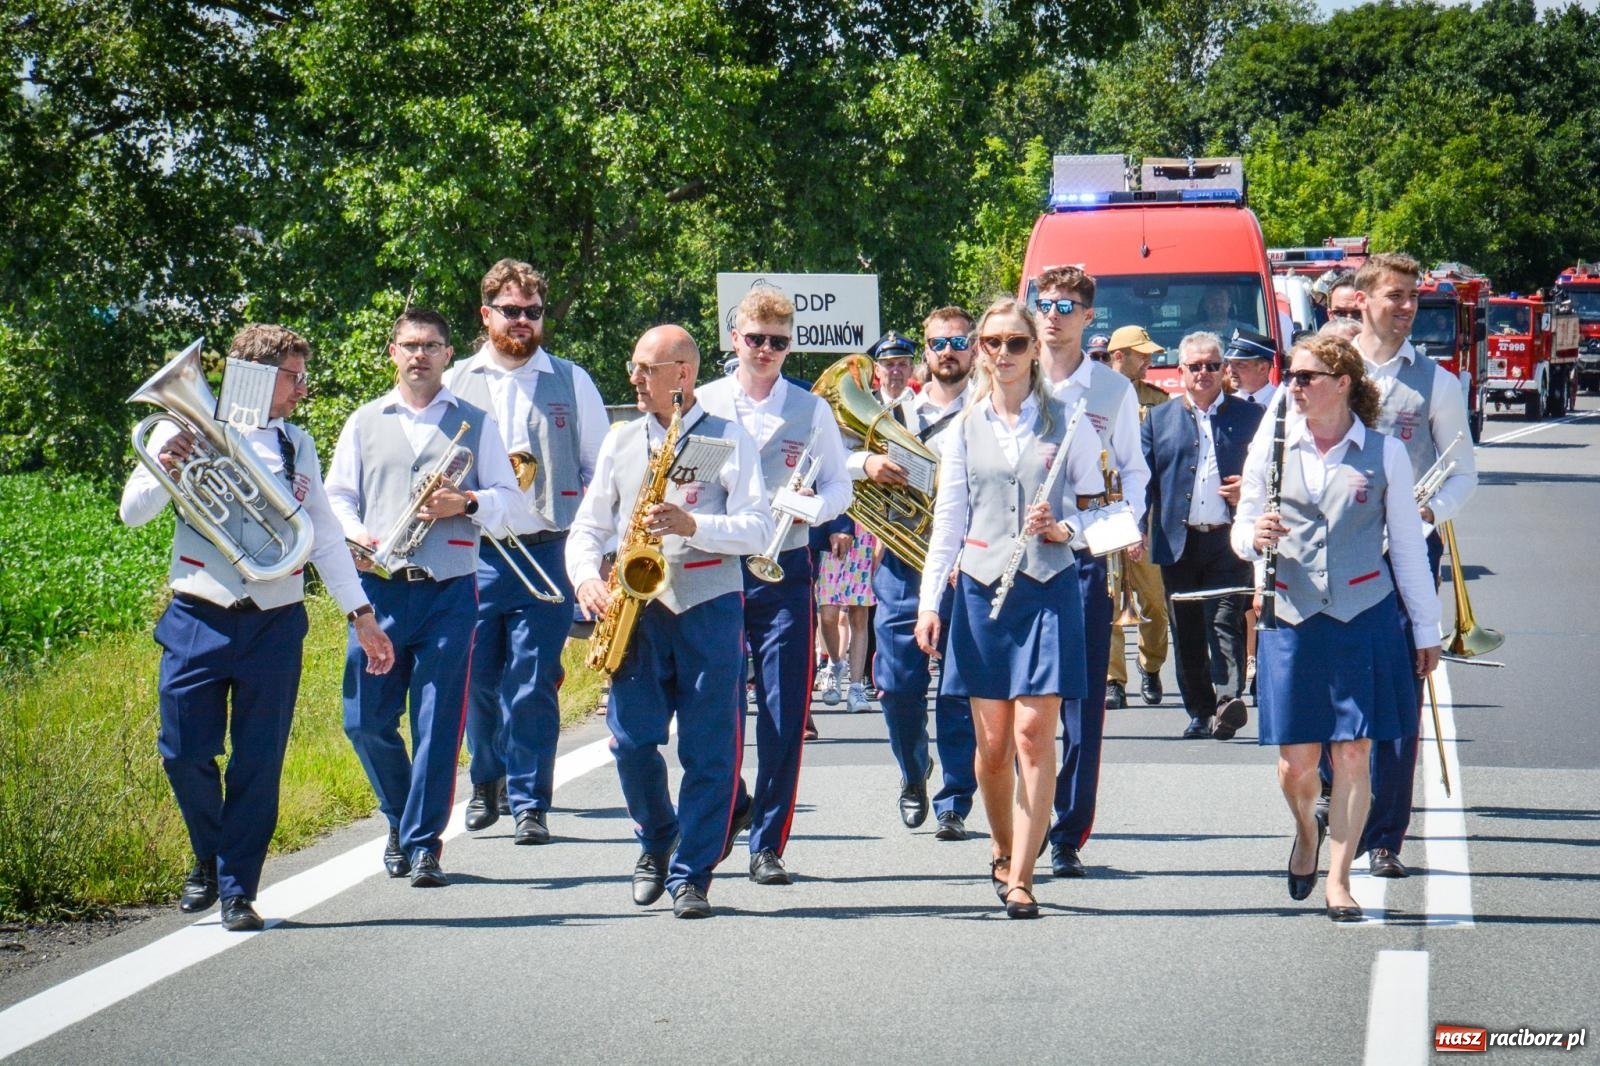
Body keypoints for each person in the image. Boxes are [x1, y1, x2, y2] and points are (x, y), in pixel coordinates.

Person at [121, 325, 396, 931]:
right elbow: (132, 513)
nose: (303, 389)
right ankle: (210, 854)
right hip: (197, 613)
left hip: (275, 622)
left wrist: (362, 616)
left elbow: (324, 537)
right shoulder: (177, 427)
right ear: (256, 376)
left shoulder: (297, 444)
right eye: (294, 377)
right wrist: (167, 465)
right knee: (183, 750)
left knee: (258, 760)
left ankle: (237, 889)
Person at [1233, 335, 1441, 921]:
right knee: (1296, 763)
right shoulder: (1274, 444)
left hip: (1363, 612)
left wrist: (1426, 629)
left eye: (1307, 377)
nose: (1294, 387)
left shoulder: (1384, 452)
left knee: (1354, 751)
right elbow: (1241, 526)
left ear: (1343, 382)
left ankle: (1341, 878)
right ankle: (1307, 831)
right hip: (1292, 616)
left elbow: (1407, 546)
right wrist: (1252, 538)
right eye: (1292, 377)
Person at [566, 325, 771, 919]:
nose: (634, 378)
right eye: (633, 366)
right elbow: (588, 528)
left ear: (683, 374)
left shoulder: (728, 437)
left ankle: (692, 876)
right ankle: (658, 836)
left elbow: (758, 527)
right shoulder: (621, 440)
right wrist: (585, 578)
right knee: (632, 742)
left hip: (709, 605)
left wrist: (694, 525)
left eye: (646, 369)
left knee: (710, 751)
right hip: (637, 611)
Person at [915, 297, 1101, 918]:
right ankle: (1001, 847)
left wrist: (1065, 529)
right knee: (992, 747)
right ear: (979, 351)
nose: (1002, 354)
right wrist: (930, 601)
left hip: (1049, 587)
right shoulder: (964, 428)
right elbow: (949, 521)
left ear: (1034, 350)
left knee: (1032, 735)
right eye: (991, 343)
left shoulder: (1070, 419)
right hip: (980, 589)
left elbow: (1104, 510)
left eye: (1015, 343)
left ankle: (1022, 876)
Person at [326, 308, 522, 889]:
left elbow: (510, 501)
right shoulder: (365, 420)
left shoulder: (476, 422)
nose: (420, 355)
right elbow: (336, 496)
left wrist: (466, 503)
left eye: (431, 346)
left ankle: (422, 845)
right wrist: (356, 534)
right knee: (365, 721)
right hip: (378, 591)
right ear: (393, 352)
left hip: (449, 592)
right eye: (410, 345)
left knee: (437, 727)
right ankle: (400, 816)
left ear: (447, 355)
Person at [443, 259, 608, 845]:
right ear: (486, 314)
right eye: (510, 311)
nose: (522, 321)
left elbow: (599, 472)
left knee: (533, 680)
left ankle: (530, 799)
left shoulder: (571, 379)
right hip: (474, 550)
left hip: (547, 548)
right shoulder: (455, 380)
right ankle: (485, 779)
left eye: (532, 312)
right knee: (478, 678)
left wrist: (597, 552)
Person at [697, 287, 852, 886]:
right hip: (715, 566)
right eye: (756, 339)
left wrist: (812, 506)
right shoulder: (706, 401)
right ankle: (729, 810)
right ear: (735, 339)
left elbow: (840, 487)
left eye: (778, 342)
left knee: (786, 712)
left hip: (785, 568)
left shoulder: (811, 409)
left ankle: (768, 845)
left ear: (791, 345)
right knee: (716, 707)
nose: (766, 351)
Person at [1347, 251, 1476, 879]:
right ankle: (1335, 800)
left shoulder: (1437, 382)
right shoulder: (1328, 367)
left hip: (1406, 557)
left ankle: (1384, 837)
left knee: (1399, 696)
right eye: (1393, 295)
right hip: (1333, 555)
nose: (1405, 307)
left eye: (1412, 297)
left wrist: (1424, 515)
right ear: (1362, 299)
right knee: (1335, 688)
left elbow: (1463, 474)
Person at [1034, 265, 1149, 880]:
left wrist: (1105, 531)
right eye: (1044, 303)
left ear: (1087, 317)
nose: (1052, 315)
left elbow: (1133, 473)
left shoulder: (1111, 390)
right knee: (1021, 705)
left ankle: (1068, 831)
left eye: (1065, 306)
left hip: (1081, 559)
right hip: (1017, 558)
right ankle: (1022, 822)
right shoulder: (1011, 372)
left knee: (1081, 708)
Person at [849, 306, 979, 839]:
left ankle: (955, 798)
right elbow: (834, 459)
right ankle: (912, 767)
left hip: (967, 565)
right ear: (926, 351)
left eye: (959, 342)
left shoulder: (989, 409)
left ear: (974, 348)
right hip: (904, 564)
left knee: (958, 689)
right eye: (939, 343)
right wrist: (866, 465)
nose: (948, 351)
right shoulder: (895, 413)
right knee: (897, 685)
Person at [1141, 332, 1265, 740]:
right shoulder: (1158, 420)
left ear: (1223, 369)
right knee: (1188, 631)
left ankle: (1228, 702)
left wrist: (1249, 490)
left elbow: (1272, 474)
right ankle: (1199, 711)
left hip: (1229, 539)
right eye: (1195, 366)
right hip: (1178, 542)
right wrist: (1135, 529)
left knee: (1226, 621)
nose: (1204, 373)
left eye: (1212, 365)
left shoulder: (1252, 417)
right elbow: (1142, 481)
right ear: (1181, 371)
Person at [1102, 325, 1171, 711]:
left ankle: (1152, 665)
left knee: (1154, 602)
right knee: (1109, 599)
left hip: (1145, 512)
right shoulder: (1097, 394)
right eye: (1141, 354)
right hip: (1103, 508)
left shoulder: (1157, 400)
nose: (1148, 361)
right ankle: (1114, 679)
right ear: (1119, 356)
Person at [815, 520, 876, 711]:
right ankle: (835, 663)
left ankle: (855, 688)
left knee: (859, 615)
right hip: (831, 532)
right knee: (828, 615)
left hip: (864, 534)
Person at [1225, 329, 1279, 408]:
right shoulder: (1225, 405)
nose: (1230, 370)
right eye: (1229, 363)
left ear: (1263, 368)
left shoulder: (1282, 402)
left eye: (1240, 364)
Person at [868, 330, 918, 414]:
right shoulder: (866, 408)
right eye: (889, 364)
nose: (896, 371)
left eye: (902, 364)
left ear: (911, 370)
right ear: (877, 370)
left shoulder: (921, 408)